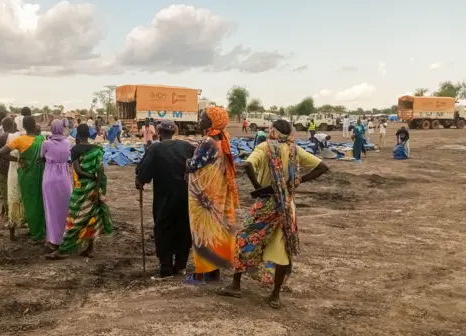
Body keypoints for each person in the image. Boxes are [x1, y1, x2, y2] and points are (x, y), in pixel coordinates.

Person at [217, 119, 329, 308]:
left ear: (274, 131)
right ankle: (275, 296)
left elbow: (248, 165)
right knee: (283, 249)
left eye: (271, 129)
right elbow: (323, 167)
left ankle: (235, 285)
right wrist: (297, 180)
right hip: (286, 206)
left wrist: (258, 187)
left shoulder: (264, 147)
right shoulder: (294, 150)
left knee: (245, 239)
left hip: (266, 204)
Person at [185, 107, 239, 284]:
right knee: (214, 231)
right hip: (217, 194)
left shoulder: (208, 141)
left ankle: (203, 275)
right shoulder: (224, 138)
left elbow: (194, 165)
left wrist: (186, 162)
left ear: (212, 121)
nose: (200, 121)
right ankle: (213, 272)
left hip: (204, 197)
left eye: (203, 118)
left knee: (201, 232)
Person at [136, 120, 195, 279]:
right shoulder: (186, 146)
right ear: (174, 132)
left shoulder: (155, 148)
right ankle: (180, 266)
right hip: (185, 196)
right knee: (183, 229)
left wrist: (140, 181)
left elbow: (143, 173)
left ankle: (166, 269)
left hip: (164, 198)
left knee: (163, 230)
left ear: (159, 133)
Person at [46, 124, 112, 259]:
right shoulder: (96, 149)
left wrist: (90, 176)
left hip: (81, 188)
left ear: (77, 134)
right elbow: (100, 171)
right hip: (94, 188)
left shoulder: (75, 149)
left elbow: (78, 170)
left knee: (75, 218)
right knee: (91, 217)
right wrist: (96, 186)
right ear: (89, 134)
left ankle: (63, 250)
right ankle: (89, 249)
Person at [0, 116, 46, 243]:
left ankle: (36, 235)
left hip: (26, 176)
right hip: (40, 175)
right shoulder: (42, 139)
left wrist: (17, 160)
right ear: (35, 125)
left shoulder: (19, 140)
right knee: (39, 202)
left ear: (23, 127)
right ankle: (39, 230)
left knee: (29, 204)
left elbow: (1, 153)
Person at [40, 119, 73, 253]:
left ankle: (53, 241)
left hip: (50, 177)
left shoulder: (46, 143)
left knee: (51, 209)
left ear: (52, 129)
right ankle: (67, 237)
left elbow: (41, 156)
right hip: (64, 177)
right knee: (65, 207)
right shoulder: (68, 142)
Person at [0, 117, 17, 221]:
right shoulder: (19, 136)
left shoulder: (2, 137)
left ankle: (9, 217)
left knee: (5, 194)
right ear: (13, 125)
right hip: (17, 168)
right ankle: (18, 215)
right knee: (17, 193)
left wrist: (0, 154)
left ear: (4, 126)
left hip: (4, 168)